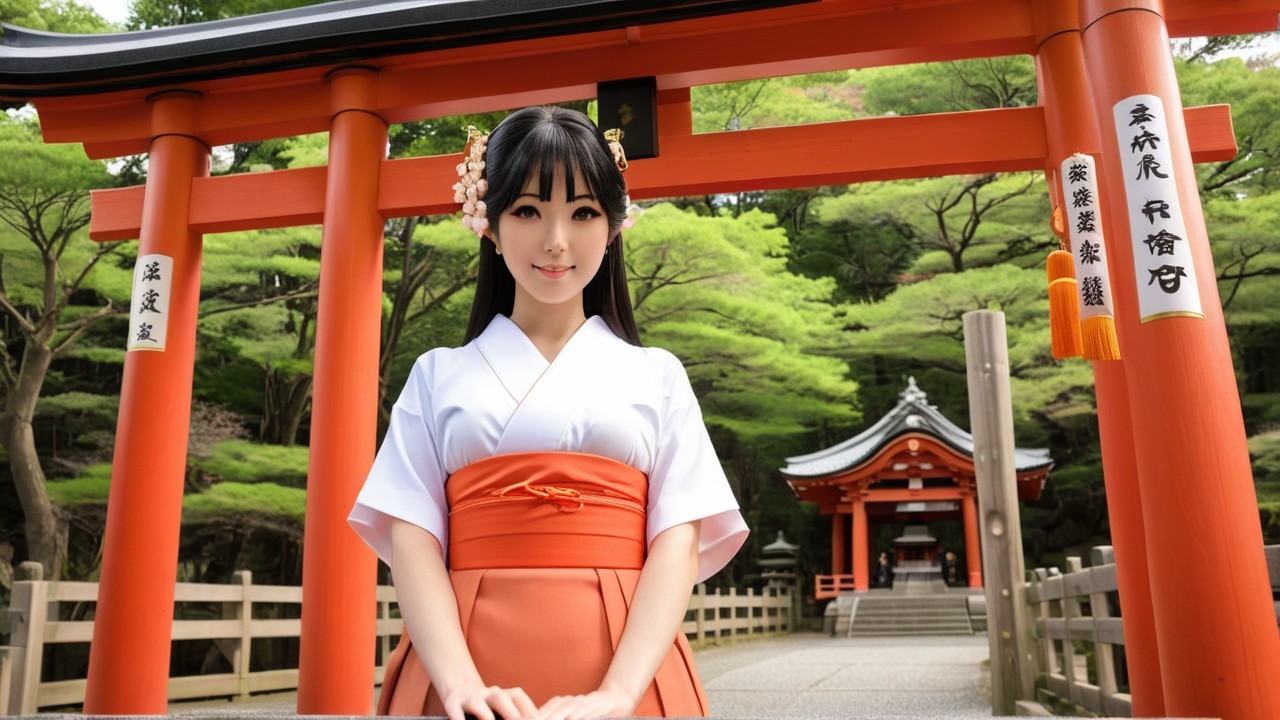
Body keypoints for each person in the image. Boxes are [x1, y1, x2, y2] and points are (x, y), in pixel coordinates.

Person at [348, 106, 749, 720]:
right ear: (487, 221)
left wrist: (620, 694)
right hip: (464, 666)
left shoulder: (658, 374)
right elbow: (413, 537)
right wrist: (456, 685)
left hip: (626, 663)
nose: (556, 240)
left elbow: (678, 538)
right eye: (528, 211)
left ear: (614, 226)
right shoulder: (436, 375)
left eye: (583, 213)